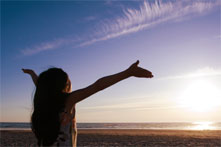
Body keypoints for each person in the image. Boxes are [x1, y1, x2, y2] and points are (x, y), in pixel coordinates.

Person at [22, 60, 153, 146]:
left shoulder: (44, 102)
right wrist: (127, 73)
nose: (70, 82)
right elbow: (98, 85)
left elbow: (41, 86)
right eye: (68, 81)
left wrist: (32, 73)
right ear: (63, 86)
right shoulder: (69, 100)